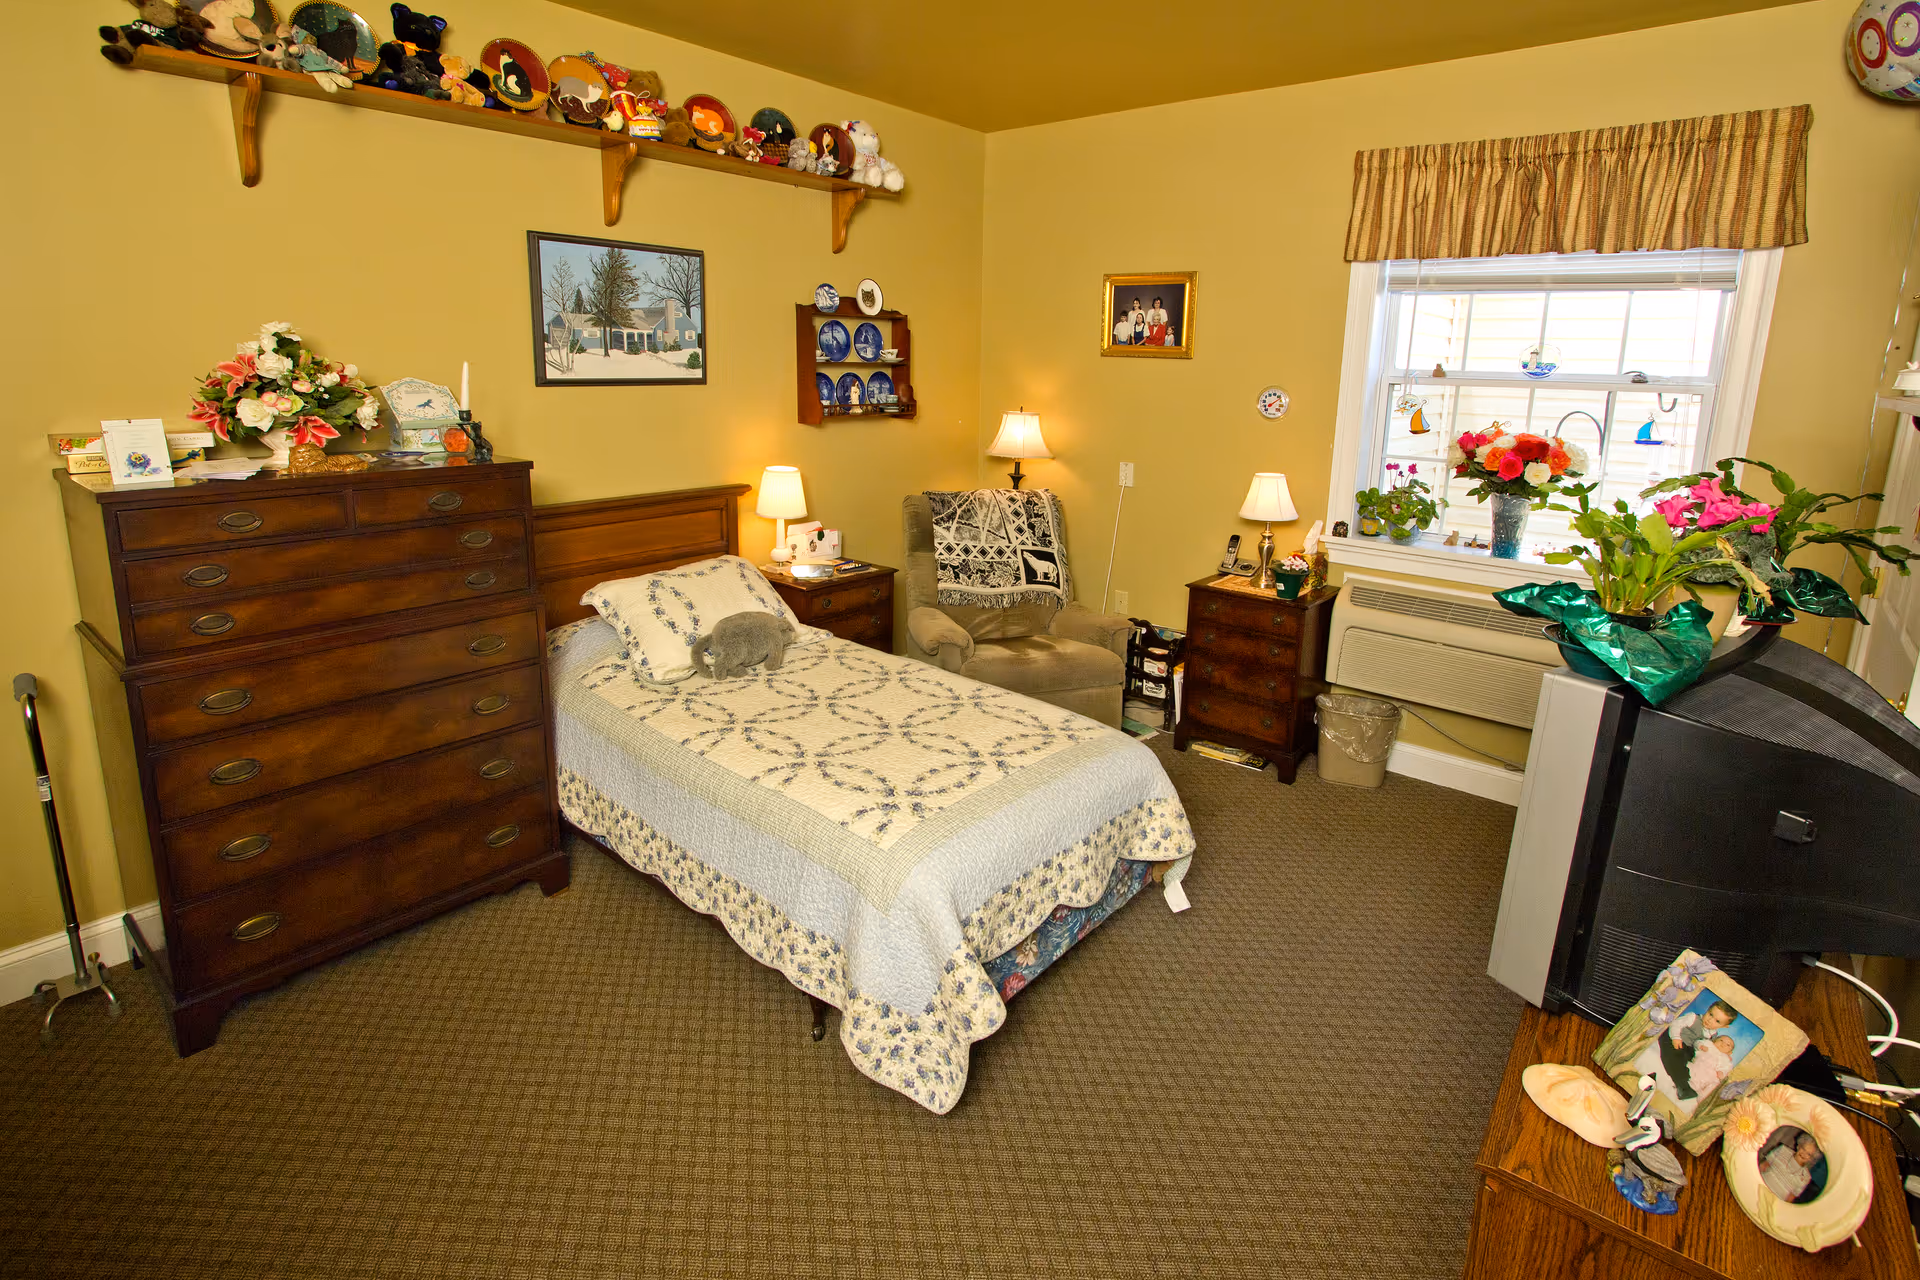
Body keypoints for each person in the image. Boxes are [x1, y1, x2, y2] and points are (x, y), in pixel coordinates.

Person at [1658, 999, 1737, 1101]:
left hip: (1688, 1048)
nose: (1710, 1020)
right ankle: (1682, 1085)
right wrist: (1676, 1037)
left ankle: (1689, 1084)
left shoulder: (1714, 1036)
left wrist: (1725, 1055)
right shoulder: (1692, 1018)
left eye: (1717, 1021)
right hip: (1672, 1039)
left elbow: (1713, 1049)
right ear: (1708, 1009)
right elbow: (1676, 1024)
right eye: (1710, 1014)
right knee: (1672, 1057)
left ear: (1724, 1026)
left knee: (1690, 1062)